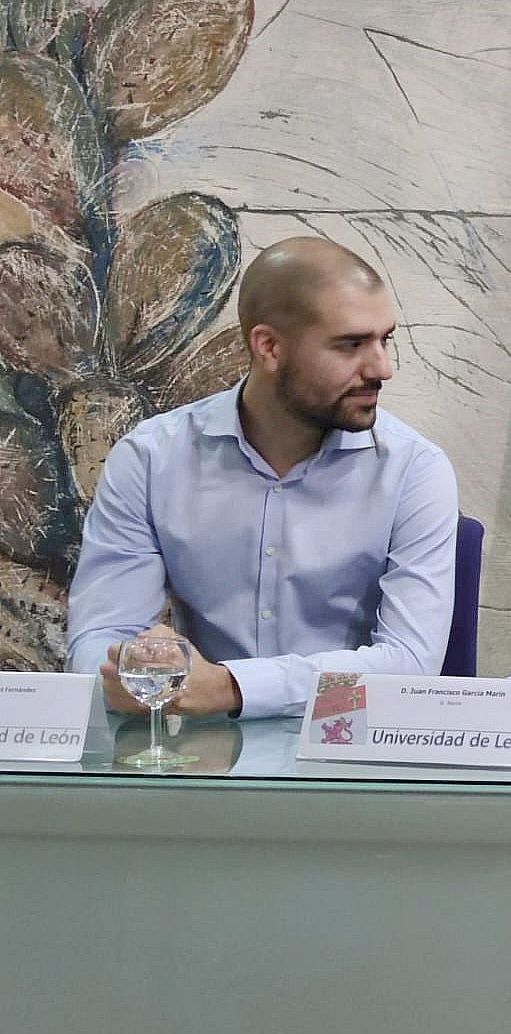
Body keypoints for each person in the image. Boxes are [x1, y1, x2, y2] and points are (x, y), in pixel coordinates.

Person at [66, 237, 459, 720]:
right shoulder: (149, 459)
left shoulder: (413, 469)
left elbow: (410, 667)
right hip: (196, 761)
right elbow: (98, 642)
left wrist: (233, 688)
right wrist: (125, 673)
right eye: (351, 345)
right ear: (269, 347)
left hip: (350, 752)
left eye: (385, 339)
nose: (382, 368)